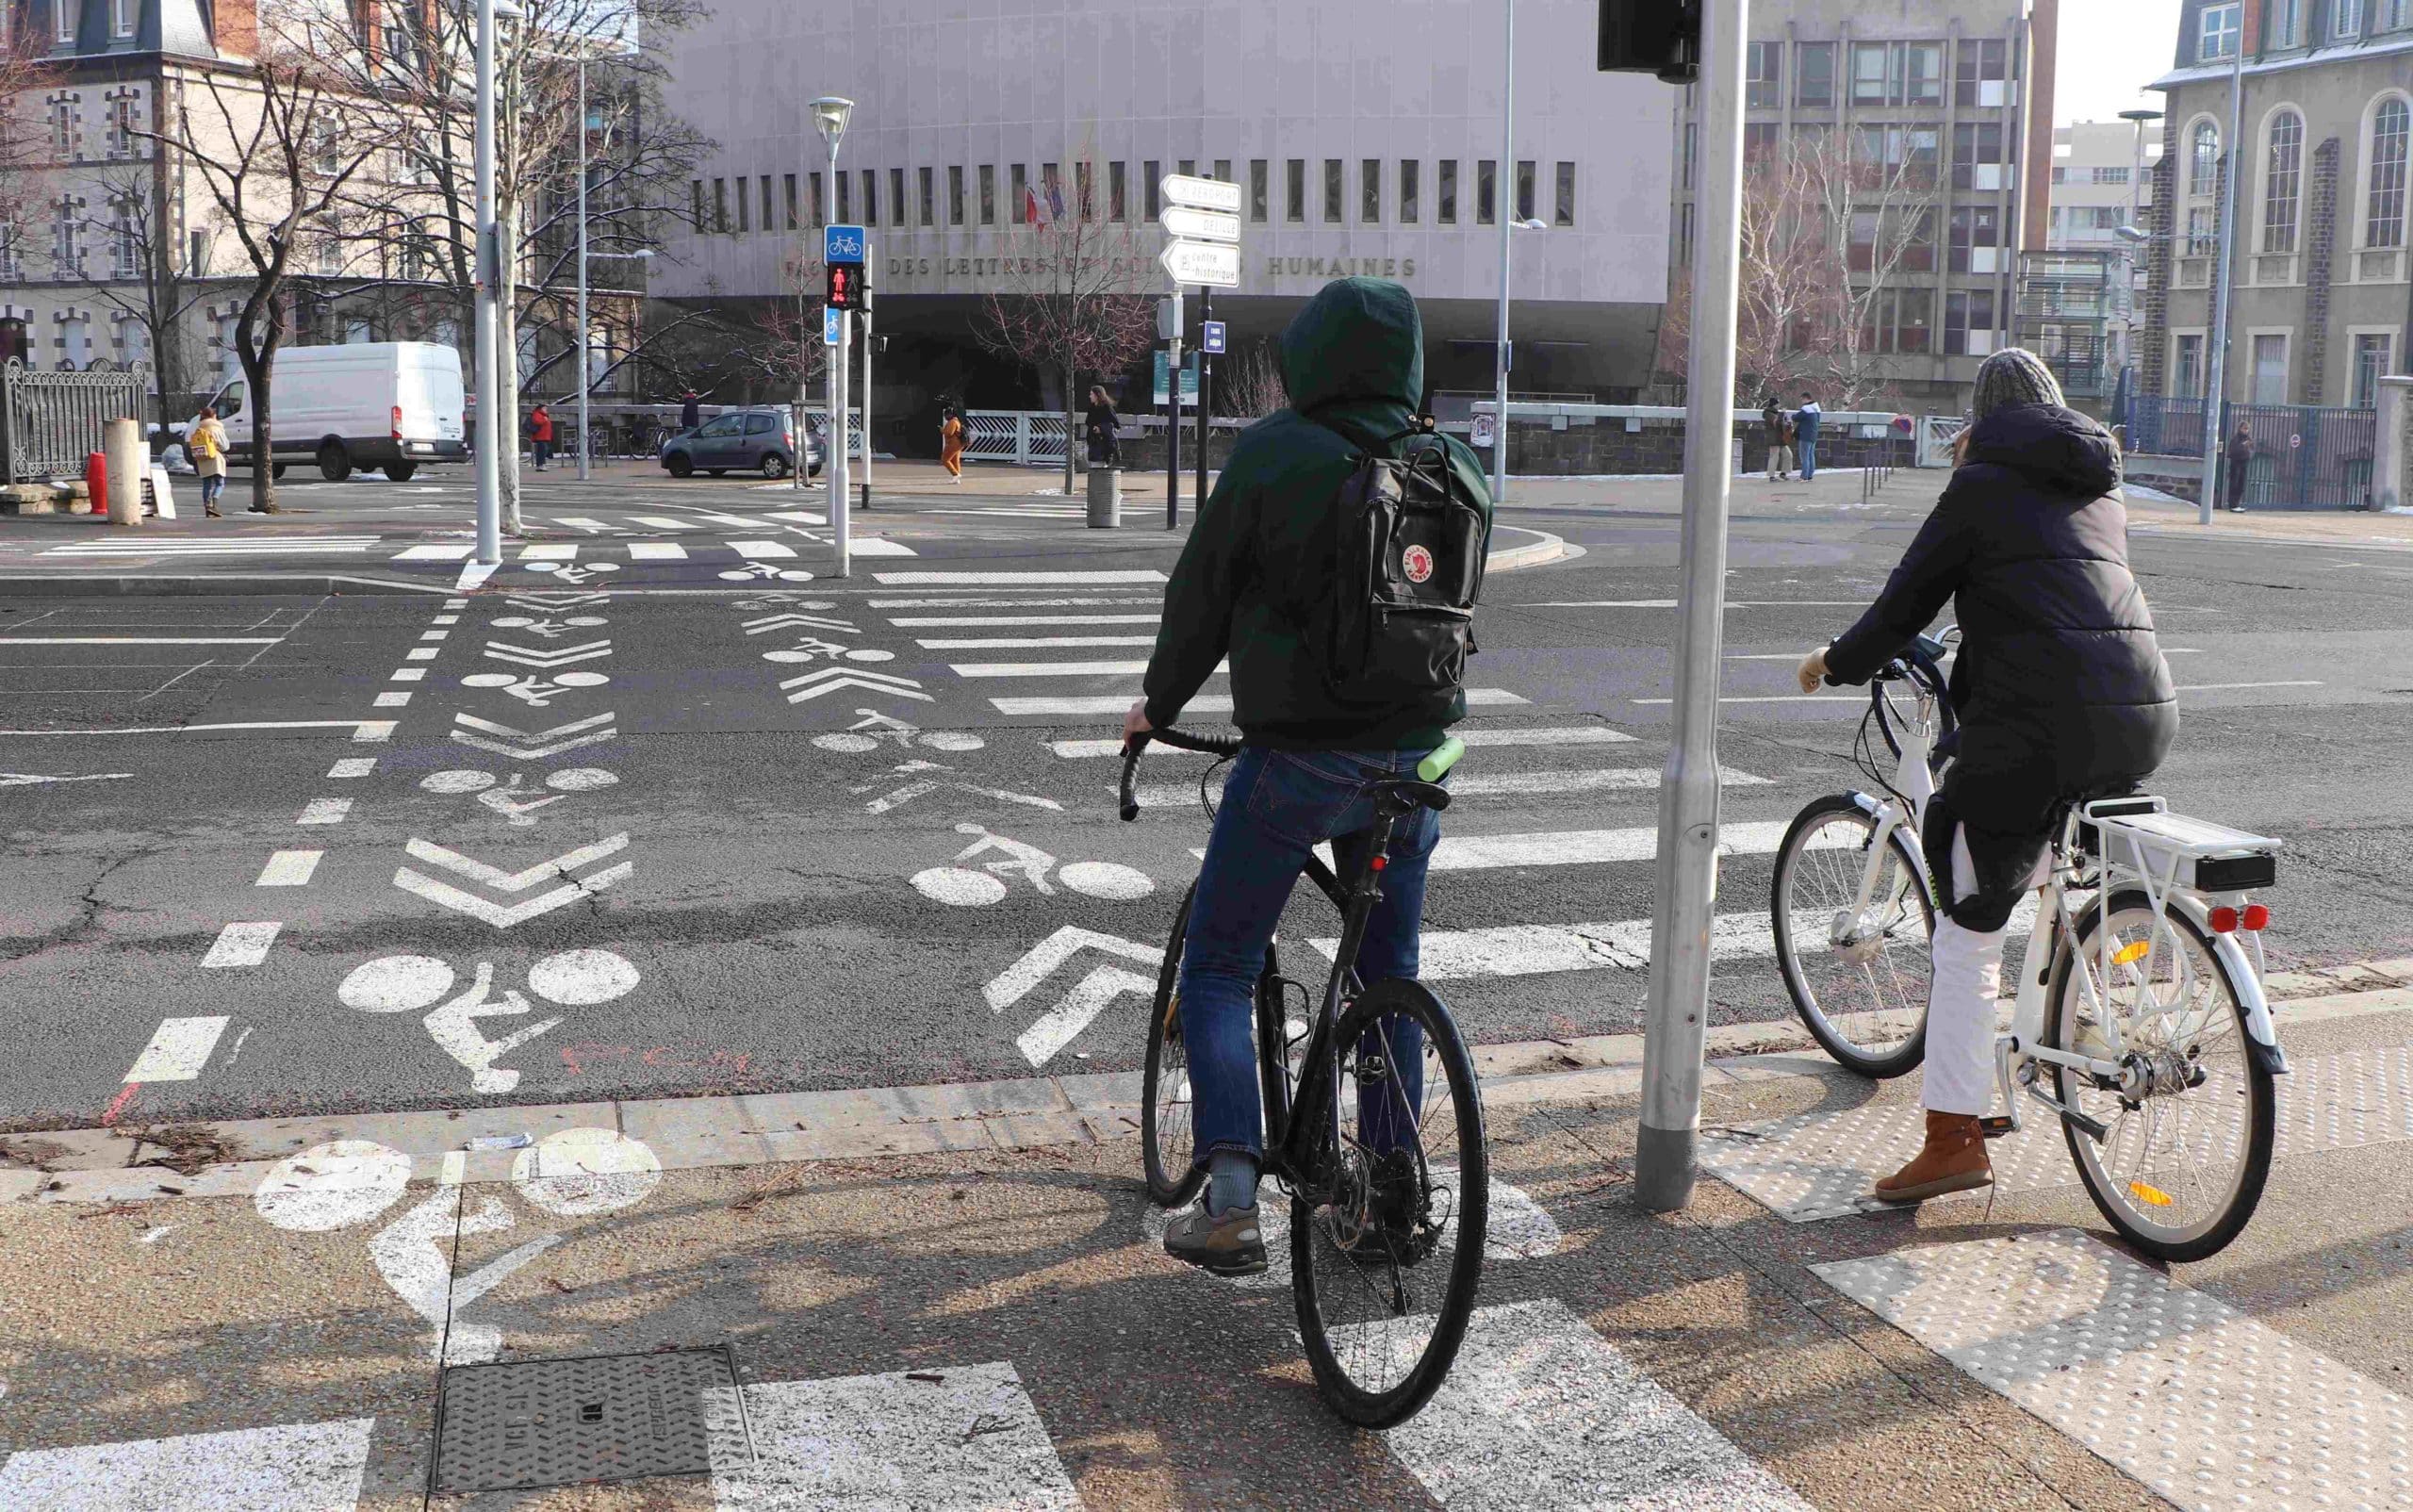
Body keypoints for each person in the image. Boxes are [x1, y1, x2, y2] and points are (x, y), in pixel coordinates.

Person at [1124, 277, 1493, 1274]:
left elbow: (1200, 596)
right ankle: (1387, 1191)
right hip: (1418, 757)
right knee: (1388, 971)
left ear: (1308, 355)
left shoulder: (1274, 453)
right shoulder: (1456, 464)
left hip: (1298, 758)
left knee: (1219, 961)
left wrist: (1156, 706)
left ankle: (1233, 1196)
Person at [1794, 348, 2176, 1204]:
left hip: (2035, 727)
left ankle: (1954, 1136)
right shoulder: (2097, 486)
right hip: (2141, 715)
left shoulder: (1980, 485)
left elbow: (1904, 605)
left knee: (1966, 931)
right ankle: (2055, 1026)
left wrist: (1835, 661)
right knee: (2040, 856)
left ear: (1983, 419)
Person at [190, 406, 231, 518]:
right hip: (215, 457)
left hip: (202, 458)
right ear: (213, 416)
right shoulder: (216, 427)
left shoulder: (199, 428)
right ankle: (214, 503)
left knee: (206, 484)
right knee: (219, 483)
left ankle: (207, 506)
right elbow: (225, 446)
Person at [1083, 386, 1122, 468]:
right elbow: (1088, 422)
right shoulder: (1092, 408)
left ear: (1098, 395)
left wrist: (1101, 428)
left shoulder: (1106, 408)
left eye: (1091, 394)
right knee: (1089, 461)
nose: (1090, 396)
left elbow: (1116, 425)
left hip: (1103, 442)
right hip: (1091, 440)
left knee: (1098, 466)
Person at [1760, 395, 1794, 481]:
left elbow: (1781, 423)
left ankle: (1783, 473)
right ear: (1774, 405)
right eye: (1777, 404)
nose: (1779, 405)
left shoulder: (1776, 413)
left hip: (1781, 438)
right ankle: (1771, 476)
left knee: (1788, 455)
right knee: (1774, 457)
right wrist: (1783, 414)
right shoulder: (1768, 413)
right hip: (1774, 439)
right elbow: (1776, 423)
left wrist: (1787, 422)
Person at [2224, 421, 2255, 513]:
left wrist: (2249, 454)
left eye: (2247, 429)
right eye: (2244, 428)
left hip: (2244, 463)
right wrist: (2242, 446)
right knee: (2234, 483)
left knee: (2242, 484)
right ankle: (2232, 505)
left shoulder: (2249, 439)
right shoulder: (2236, 439)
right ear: (2240, 428)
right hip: (2236, 463)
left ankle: (2237, 503)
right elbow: (2232, 451)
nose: (2246, 431)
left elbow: (2252, 450)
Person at [1793, 392, 1823, 480]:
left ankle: (1804, 476)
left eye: (1802, 399)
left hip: (1805, 435)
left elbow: (1796, 418)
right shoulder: (1816, 408)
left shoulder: (1806, 408)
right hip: (1813, 434)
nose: (1801, 401)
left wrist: (1792, 416)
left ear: (1806, 398)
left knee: (1804, 456)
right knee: (1811, 455)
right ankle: (1810, 474)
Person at [939, 404, 967, 482]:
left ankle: (955, 474)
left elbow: (949, 433)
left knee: (945, 459)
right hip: (958, 444)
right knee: (955, 460)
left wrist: (943, 431)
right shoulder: (957, 421)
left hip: (953, 443)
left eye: (946, 415)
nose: (945, 417)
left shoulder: (952, 422)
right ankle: (956, 478)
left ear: (950, 414)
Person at [527, 404, 554, 471]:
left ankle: (541, 465)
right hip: (540, 436)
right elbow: (537, 421)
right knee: (542, 451)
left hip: (544, 436)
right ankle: (541, 465)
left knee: (543, 451)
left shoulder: (543, 415)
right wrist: (545, 420)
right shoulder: (538, 414)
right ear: (540, 408)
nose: (546, 410)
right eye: (544, 408)